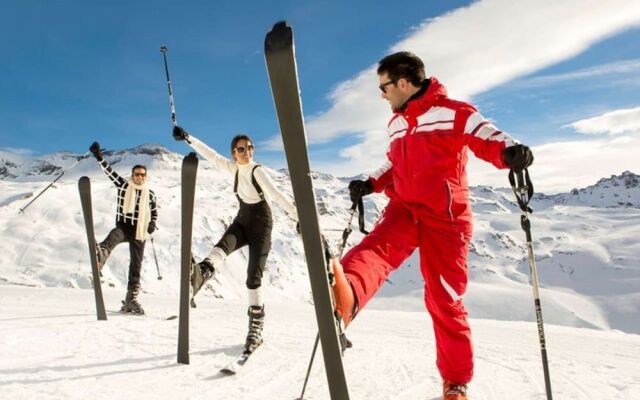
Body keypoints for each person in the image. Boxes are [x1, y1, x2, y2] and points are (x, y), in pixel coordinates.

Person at [331, 52, 534, 400]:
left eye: (384, 87)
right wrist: (371, 182)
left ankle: (455, 382)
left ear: (404, 83)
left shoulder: (455, 112)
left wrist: (510, 152)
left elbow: (487, 136)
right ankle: (348, 294)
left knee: (444, 299)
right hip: (406, 207)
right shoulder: (396, 123)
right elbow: (394, 162)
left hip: (447, 218)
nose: (382, 95)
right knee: (378, 246)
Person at [172, 126, 298, 353]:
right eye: (241, 149)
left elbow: (276, 195)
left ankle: (255, 328)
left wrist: (298, 217)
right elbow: (211, 155)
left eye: (250, 147)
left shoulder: (256, 170)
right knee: (222, 247)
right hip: (242, 220)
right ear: (234, 153)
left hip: (262, 224)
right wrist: (188, 138)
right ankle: (200, 275)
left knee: (253, 278)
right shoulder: (234, 169)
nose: (247, 152)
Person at [89, 142, 159, 315]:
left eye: (142, 175)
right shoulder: (123, 186)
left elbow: (155, 211)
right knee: (114, 236)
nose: (139, 177)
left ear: (146, 176)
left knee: (136, 265)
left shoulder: (149, 194)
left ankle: (131, 298)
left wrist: (152, 224)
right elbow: (109, 172)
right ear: (132, 175)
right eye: (137, 174)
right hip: (124, 226)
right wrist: (99, 157)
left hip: (140, 231)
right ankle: (102, 254)